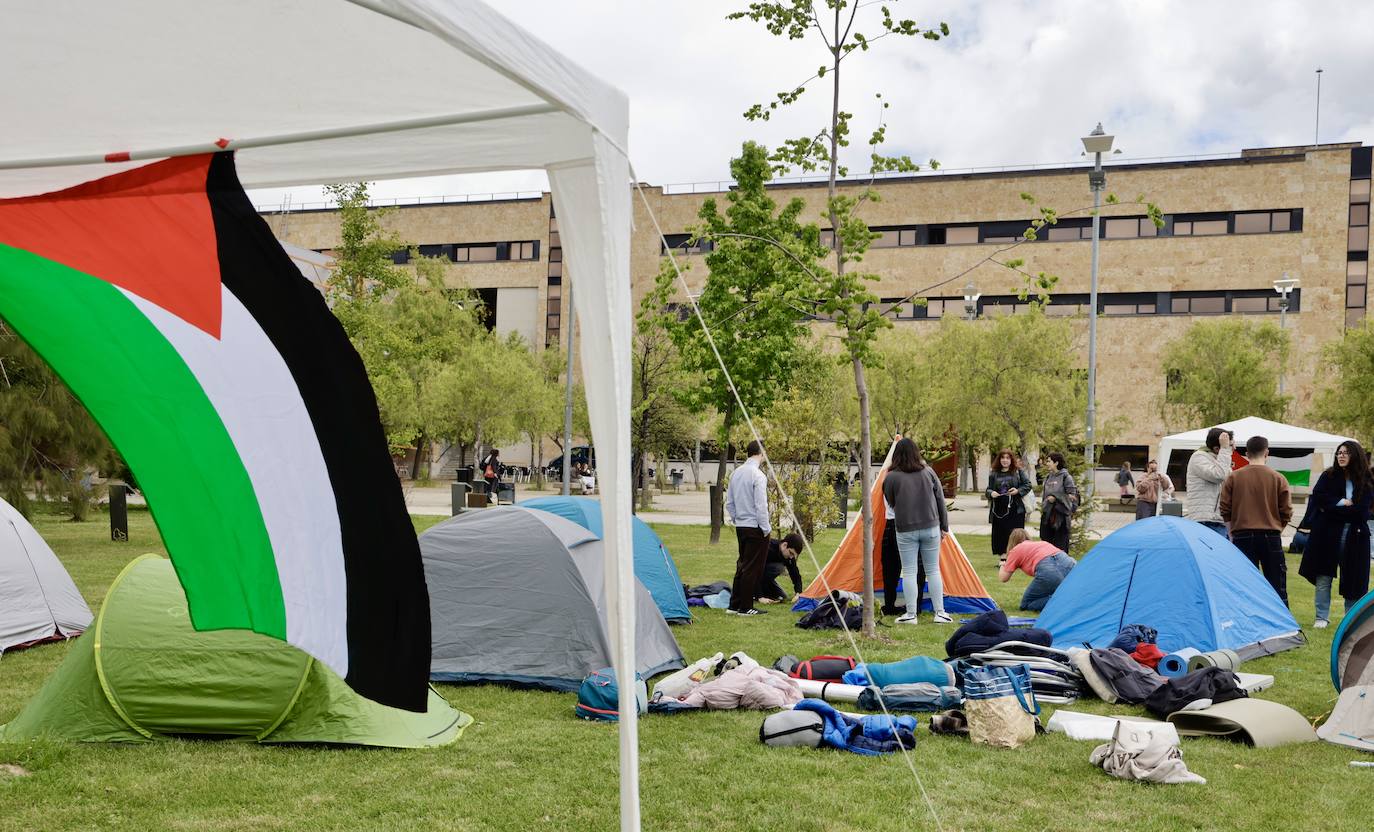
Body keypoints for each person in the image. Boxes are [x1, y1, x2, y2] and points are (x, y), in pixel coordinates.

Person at [1299, 440, 1373, 628]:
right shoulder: (1328, 476)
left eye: (1346, 453)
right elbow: (1319, 498)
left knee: (1354, 578)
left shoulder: (1366, 480)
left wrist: (1332, 508)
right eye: (1339, 452)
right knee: (1324, 576)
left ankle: (1350, 620)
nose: (1341, 456)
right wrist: (1341, 502)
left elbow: (1362, 511)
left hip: (1355, 535)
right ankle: (1321, 617)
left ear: (1355, 455)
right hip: (1328, 533)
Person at [880, 438, 951, 625]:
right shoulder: (928, 472)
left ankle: (911, 614)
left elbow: (890, 501)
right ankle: (940, 613)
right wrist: (944, 527)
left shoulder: (891, 476)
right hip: (931, 526)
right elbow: (940, 500)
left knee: (909, 571)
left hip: (905, 529)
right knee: (933, 570)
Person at [1220, 435, 1293, 604]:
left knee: (1243, 584)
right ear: (1267, 452)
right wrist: (1277, 528)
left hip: (1242, 535)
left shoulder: (1234, 477)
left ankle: (1245, 622)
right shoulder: (1278, 478)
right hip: (1270, 535)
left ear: (1247, 453)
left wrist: (1231, 533)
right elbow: (1287, 511)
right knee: (1277, 585)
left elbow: (1225, 508)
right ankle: (1283, 625)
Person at [725, 439, 771, 617]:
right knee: (751, 568)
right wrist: (765, 528)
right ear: (761, 453)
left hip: (741, 526)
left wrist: (738, 518)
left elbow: (730, 503)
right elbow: (761, 506)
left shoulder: (736, 473)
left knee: (742, 565)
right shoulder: (758, 475)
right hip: (755, 526)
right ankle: (745, 607)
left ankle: (734, 605)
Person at [999, 528, 1077, 612]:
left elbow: (1003, 578)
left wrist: (1002, 565)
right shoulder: (1042, 543)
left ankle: (1063, 602)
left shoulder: (1015, 550)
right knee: (1053, 588)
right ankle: (1071, 599)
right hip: (1070, 565)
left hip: (1049, 572)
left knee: (1026, 604)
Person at [986, 448, 1033, 566]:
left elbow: (1028, 485)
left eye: (1007, 458)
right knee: (1000, 533)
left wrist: (1017, 491)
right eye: (1002, 458)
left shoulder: (1018, 472)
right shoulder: (994, 474)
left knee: (1015, 534)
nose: (1005, 460)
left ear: (1011, 460)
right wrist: (991, 493)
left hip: (1015, 509)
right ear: (999, 459)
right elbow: (988, 489)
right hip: (999, 509)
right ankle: (1002, 558)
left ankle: (1016, 558)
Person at [1186, 427, 1234, 538]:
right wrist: (1225, 450)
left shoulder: (1221, 461)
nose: (1233, 448)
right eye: (1229, 445)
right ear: (1218, 448)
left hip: (1218, 520)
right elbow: (1219, 475)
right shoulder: (1198, 457)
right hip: (1205, 520)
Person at [1038, 452, 1078, 553]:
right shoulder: (1048, 477)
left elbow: (1072, 497)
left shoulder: (1066, 477)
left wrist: (1056, 498)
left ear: (1056, 463)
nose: (1047, 463)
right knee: (1046, 545)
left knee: (1060, 548)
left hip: (1061, 517)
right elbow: (1045, 497)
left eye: (1049, 461)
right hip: (1048, 516)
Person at [757, 531, 806, 604]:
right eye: (791, 553)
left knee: (783, 596)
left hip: (765, 579)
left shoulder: (789, 557)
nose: (791, 557)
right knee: (779, 568)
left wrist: (798, 593)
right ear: (784, 545)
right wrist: (759, 596)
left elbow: (795, 574)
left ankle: (765, 592)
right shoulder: (767, 547)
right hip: (752, 577)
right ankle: (754, 593)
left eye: (794, 555)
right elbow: (754, 572)